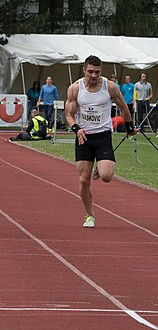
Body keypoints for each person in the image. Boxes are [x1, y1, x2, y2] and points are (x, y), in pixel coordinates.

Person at [65, 55, 137, 228]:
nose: (93, 75)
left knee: (106, 176)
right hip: (84, 137)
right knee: (83, 180)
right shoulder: (75, 88)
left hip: (103, 136)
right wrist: (76, 129)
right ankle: (89, 215)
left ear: (101, 71)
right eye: (90, 71)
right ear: (84, 70)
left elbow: (123, 107)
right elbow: (69, 114)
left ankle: (100, 166)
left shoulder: (109, 87)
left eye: (97, 72)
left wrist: (129, 128)